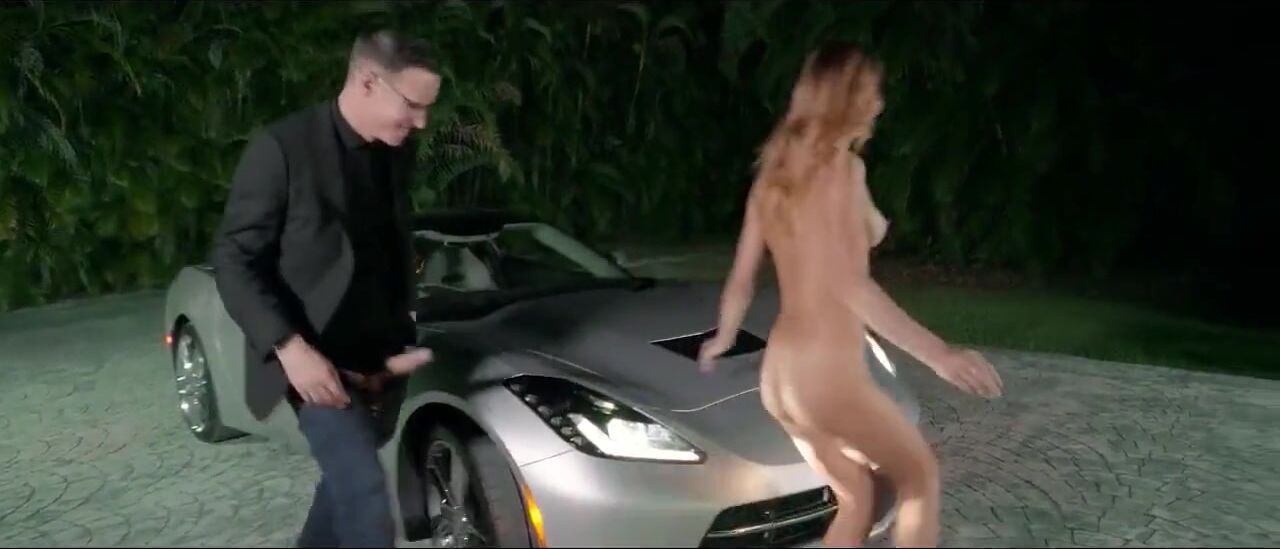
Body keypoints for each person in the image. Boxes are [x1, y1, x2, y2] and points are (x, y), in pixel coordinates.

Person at [697, 42, 1004, 548]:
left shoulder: (775, 175)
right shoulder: (840, 170)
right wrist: (939, 354)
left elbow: (741, 280)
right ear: (848, 98)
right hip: (827, 373)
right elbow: (848, 284)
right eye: (872, 92)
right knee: (919, 479)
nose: (879, 103)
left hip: (781, 379)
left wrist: (722, 339)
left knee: (858, 496)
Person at [210, 29, 441, 548]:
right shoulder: (282, 149)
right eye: (412, 105)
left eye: (428, 108)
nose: (422, 122)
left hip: (380, 362)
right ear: (367, 82)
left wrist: (402, 327)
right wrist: (290, 349)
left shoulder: (397, 150)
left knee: (343, 493)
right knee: (366, 497)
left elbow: (384, 246)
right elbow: (234, 259)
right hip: (313, 364)